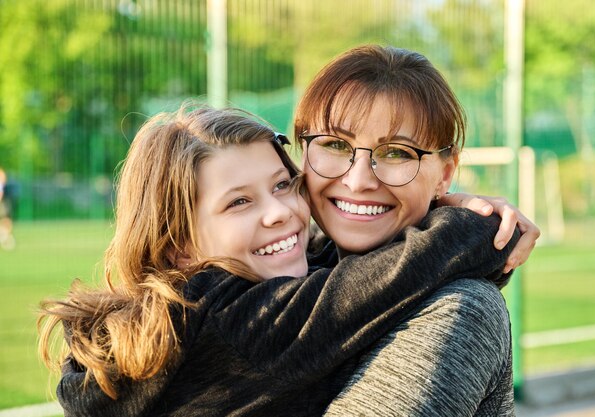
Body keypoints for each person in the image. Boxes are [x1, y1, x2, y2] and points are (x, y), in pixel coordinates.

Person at [39, 103, 519, 416]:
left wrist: (433, 203)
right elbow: (380, 280)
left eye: (282, 185)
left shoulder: (171, 322)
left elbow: (347, 271)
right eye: (239, 203)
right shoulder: (226, 318)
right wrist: (475, 228)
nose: (281, 214)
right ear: (177, 245)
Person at [291, 44, 540, 416]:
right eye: (335, 145)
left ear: (445, 173)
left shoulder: (462, 308)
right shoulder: (294, 266)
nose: (358, 181)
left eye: (396, 153)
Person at [0, 167, 16, 251]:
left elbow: (1, 187)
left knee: (6, 219)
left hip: (3, 201)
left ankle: (3, 235)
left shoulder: (1, 173)